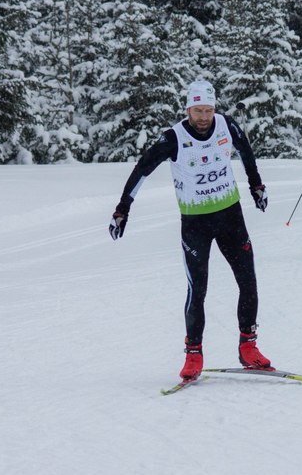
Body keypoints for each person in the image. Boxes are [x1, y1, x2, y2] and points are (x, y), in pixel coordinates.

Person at [108, 81, 272, 381]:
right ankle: (193, 353)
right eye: (198, 111)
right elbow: (142, 169)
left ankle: (248, 346)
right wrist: (123, 209)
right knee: (198, 289)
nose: (204, 117)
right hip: (195, 223)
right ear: (188, 109)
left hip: (230, 216)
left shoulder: (226, 125)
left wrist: (256, 185)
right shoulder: (173, 137)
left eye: (208, 110)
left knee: (248, 281)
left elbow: (246, 152)